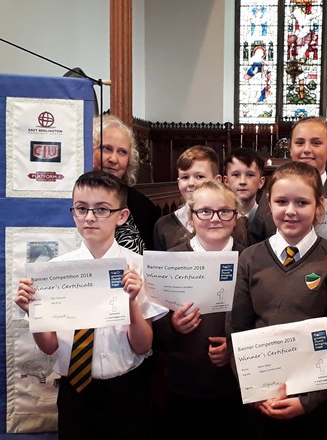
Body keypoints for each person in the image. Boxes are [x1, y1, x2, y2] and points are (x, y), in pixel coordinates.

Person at [13, 171, 168, 438]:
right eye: (81, 209)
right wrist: (34, 312)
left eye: (102, 209)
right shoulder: (54, 271)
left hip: (129, 390)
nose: (90, 217)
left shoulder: (139, 268)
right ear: (73, 212)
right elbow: (49, 346)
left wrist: (130, 302)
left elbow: (143, 345)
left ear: (122, 216)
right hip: (76, 392)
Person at [226, 161, 327, 439]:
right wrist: (254, 390)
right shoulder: (250, 258)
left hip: (313, 400)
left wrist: (309, 400)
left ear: (318, 205)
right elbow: (237, 329)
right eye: (282, 201)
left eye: (302, 202)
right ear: (268, 203)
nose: (290, 211)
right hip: (262, 395)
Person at [152, 180, 245, 437]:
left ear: (235, 217)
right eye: (204, 211)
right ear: (191, 217)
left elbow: (261, 319)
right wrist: (172, 325)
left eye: (224, 211)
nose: (215, 218)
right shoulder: (169, 260)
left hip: (235, 386)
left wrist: (234, 348)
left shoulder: (250, 260)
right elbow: (151, 327)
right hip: (183, 384)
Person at [248, 117, 327, 244]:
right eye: (299, 143)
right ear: (290, 148)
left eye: (316, 143)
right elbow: (256, 239)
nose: (307, 149)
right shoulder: (273, 189)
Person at [153, 145, 247, 250]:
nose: (191, 183)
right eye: (185, 177)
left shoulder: (233, 221)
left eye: (200, 177)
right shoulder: (164, 226)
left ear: (217, 180)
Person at [92, 114, 161, 253]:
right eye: (106, 149)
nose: (113, 159)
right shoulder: (68, 200)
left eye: (122, 152)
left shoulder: (145, 208)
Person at [223, 148, 265, 225]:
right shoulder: (220, 220)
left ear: (261, 182)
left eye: (250, 175)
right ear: (226, 181)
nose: (242, 181)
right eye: (236, 175)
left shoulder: (268, 219)